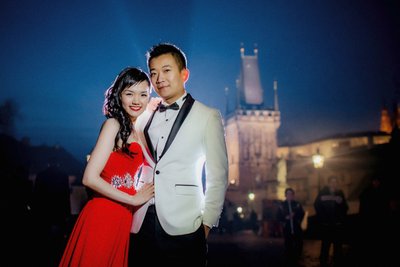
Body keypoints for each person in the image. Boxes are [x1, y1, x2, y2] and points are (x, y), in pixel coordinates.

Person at [129, 42, 229, 266]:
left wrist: (206, 225)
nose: (159, 78)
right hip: (141, 219)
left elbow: (218, 175)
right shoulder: (145, 114)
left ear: (184, 74)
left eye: (166, 70)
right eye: (153, 73)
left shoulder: (208, 116)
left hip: (185, 223)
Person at [59, 67, 155, 267]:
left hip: (123, 217)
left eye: (143, 94)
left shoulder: (139, 131)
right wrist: (132, 198)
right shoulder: (113, 124)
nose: (136, 100)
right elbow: (89, 178)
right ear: (119, 96)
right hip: (102, 214)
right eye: (129, 93)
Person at [32, 157, 71, 266]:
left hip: (43, 213)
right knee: (56, 244)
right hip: (57, 213)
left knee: (42, 243)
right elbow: (65, 196)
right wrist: (67, 214)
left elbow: (36, 195)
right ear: (58, 163)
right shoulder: (63, 176)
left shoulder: (41, 175)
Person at [314, 177, 348, 267]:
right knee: (325, 245)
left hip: (337, 224)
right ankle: (323, 262)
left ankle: (338, 262)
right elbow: (316, 204)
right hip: (326, 225)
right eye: (332, 182)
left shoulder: (340, 193)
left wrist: (341, 203)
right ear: (328, 183)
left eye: (335, 182)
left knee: (338, 246)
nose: (334, 184)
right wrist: (323, 218)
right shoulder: (323, 192)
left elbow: (345, 208)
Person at [277, 188, 305, 267]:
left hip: (297, 228)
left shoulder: (297, 204)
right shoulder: (282, 205)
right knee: (288, 246)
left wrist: (295, 215)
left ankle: (297, 259)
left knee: (299, 244)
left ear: (293, 195)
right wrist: (285, 218)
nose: (289, 195)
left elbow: (302, 214)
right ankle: (290, 262)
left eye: (291, 194)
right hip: (287, 228)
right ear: (286, 195)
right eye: (288, 194)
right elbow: (278, 217)